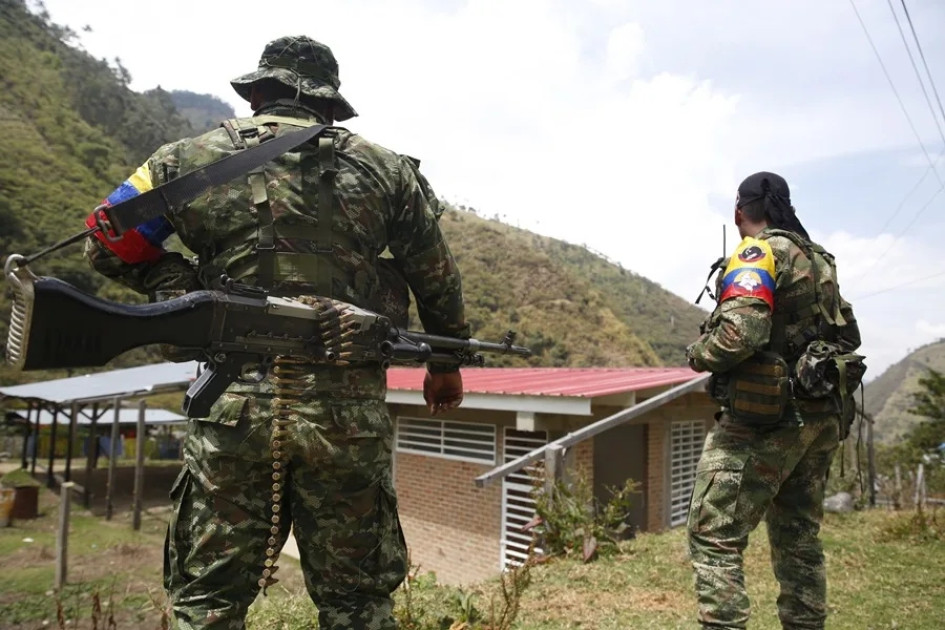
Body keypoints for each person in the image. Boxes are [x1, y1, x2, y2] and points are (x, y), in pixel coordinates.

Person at [83, 35, 468, 630]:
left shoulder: (184, 161)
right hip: (346, 416)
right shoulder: (388, 170)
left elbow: (105, 239)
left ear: (258, 92)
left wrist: (180, 283)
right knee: (358, 603)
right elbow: (435, 278)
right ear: (329, 105)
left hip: (230, 407)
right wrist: (444, 364)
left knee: (208, 603)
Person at [685, 171, 863, 630]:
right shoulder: (817, 257)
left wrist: (697, 354)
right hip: (820, 415)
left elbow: (739, 334)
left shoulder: (757, 251)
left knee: (714, 533)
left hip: (767, 419)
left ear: (740, 212)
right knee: (798, 538)